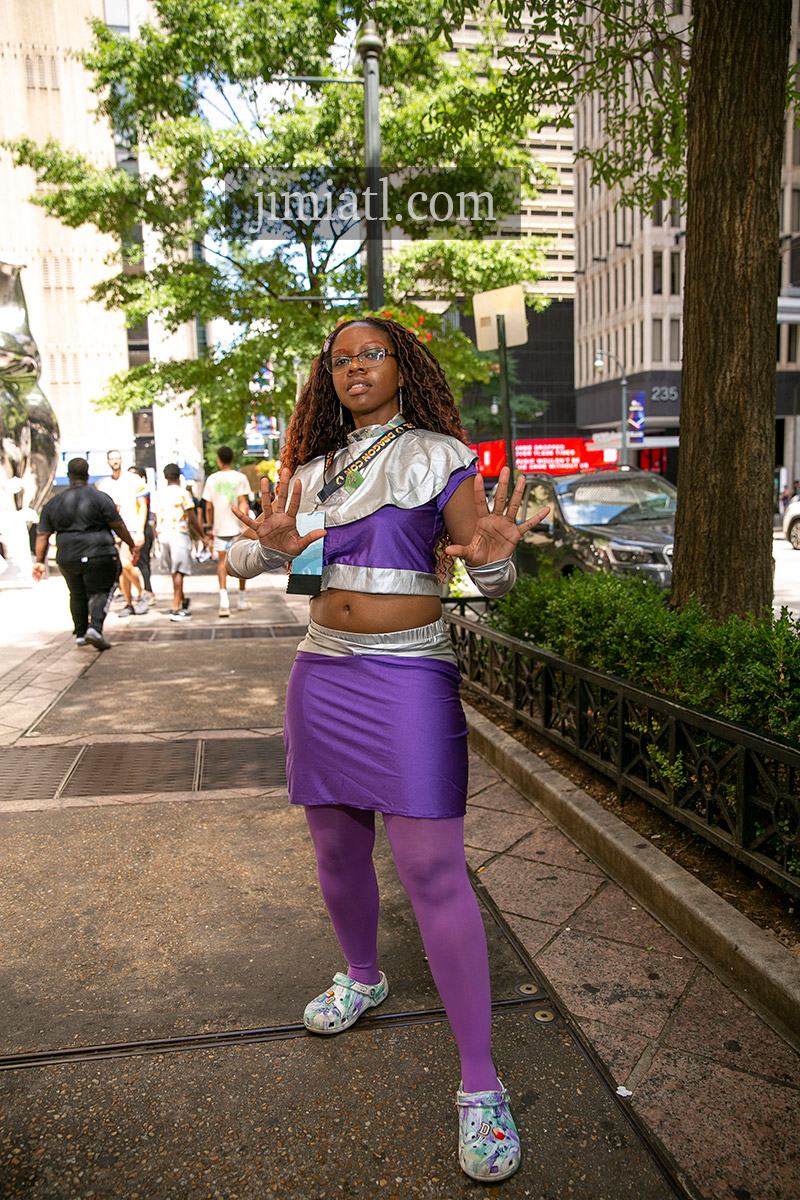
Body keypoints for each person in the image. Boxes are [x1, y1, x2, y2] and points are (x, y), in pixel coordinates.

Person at [226, 317, 549, 1183]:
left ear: (402, 367)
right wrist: (267, 549)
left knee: (434, 870)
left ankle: (480, 1083)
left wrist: (491, 565)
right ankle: (363, 975)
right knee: (335, 851)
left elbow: (488, 566)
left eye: (370, 353)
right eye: (339, 359)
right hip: (321, 675)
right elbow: (258, 559)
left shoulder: (442, 455)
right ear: (326, 378)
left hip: (408, 679)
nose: (354, 367)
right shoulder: (311, 471)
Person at [33, 457, 134, 650]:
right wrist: (131, 543)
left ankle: (80, 633)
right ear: (87, 474)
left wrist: (39, 561)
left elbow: (43, 535)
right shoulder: (100, 498)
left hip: (68, 555)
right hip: (99, 552)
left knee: (76, 593)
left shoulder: (54, 503)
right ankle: (95, 628)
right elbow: (118, 525)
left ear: (69, 476)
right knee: (101, 590)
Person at [155, 462, 210, 621]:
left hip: (163, 534)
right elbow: (191, 518)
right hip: (179, 534)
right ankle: (176, 607)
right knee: (178, 571)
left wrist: (157, 538)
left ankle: (182, 600)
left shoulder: (157, 494)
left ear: (165, 477)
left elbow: (156, 517)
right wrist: (202, 535)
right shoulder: (183, 494)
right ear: (179, 476)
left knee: (174, 571)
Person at [202, 446, 253, 617]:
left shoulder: (211, 479)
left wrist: (209, 527)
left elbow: (208, 506)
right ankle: (242, 600)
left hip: (219, 527)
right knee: (241, 562)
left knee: (221, 564)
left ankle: (224, 603)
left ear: (218, 459)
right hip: (237, 527)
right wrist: (245, 525)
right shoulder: (240, 478)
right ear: (232, 458)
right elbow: (242, 502)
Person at [96, 450, 148, 615]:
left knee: (125, 564)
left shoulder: (134, 480)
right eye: (112, 459)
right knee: (121, 569)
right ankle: (128, 602)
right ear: (108, 461)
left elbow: (143, 506)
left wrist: (140, 530)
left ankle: (142, 592)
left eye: (117, 458)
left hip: (130, 529)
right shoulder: (104, 484)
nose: (115, 461)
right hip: (111, 532)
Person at [128, 466, 155, 604]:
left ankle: (147, 591)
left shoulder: (143, 491)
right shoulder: (126, 491)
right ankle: (136, 592)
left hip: (142, 530)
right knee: (127, 565)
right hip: (128, 531)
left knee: (143, 563)